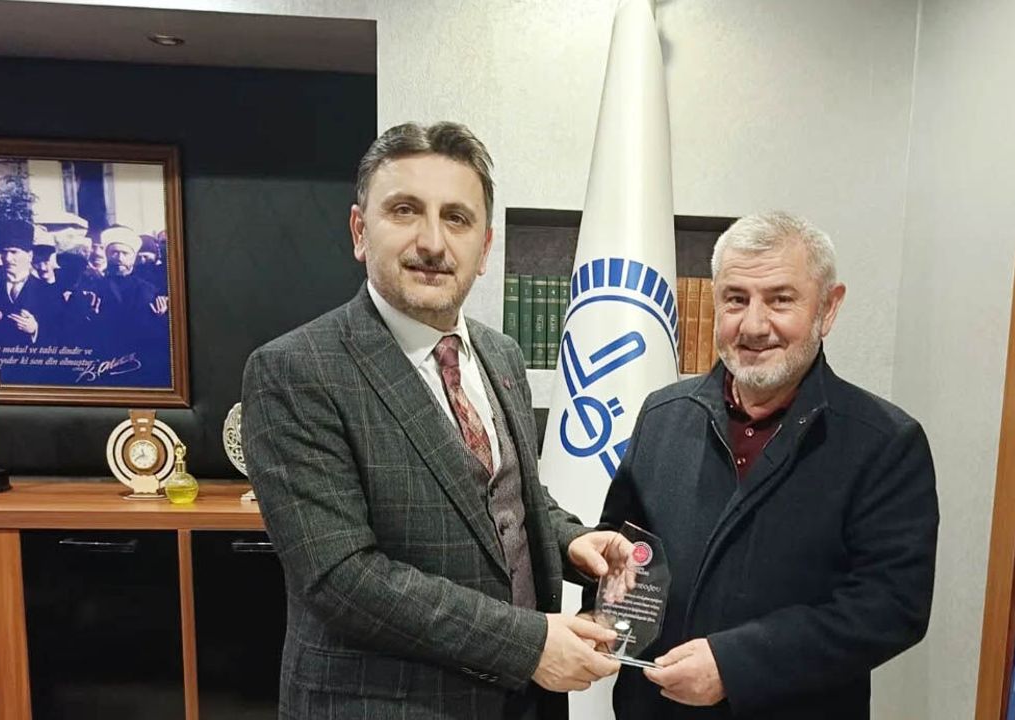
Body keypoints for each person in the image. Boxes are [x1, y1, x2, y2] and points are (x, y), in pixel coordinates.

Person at [242, 121, 627, 720]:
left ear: (485, 247)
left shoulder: (501, 355)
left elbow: (503, 498)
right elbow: (342, 578)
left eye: (456, 218)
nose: (432, 242)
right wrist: (529, 645)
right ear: (359, 231)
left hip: (524, 703)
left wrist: (572, 540)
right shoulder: (294, 370)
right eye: (404, 211)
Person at [590, 211, 939, 718]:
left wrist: (734, 665)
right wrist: (601, 606)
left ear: (828, 308)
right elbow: (623, 548)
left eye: (780, 299)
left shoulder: (886, 443)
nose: (754, 325)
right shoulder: (662, 416)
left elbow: (891, 608)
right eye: (736, 299)